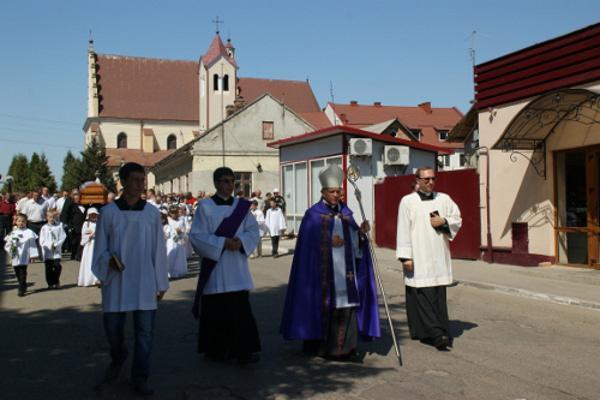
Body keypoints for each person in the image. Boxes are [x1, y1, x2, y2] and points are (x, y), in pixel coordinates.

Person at [280, 164, 380, 361]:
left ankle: (346, 349)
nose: (336, 195)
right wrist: (326, 240)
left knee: (346, 306)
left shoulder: (346, 213)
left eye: (339, 191)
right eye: (332, 191)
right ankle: (321, 347)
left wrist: (360, 233)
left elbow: (354, 243)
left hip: (345, 273)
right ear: (323, 192)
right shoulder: (313, 214)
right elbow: (306, 245)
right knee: (322, 306)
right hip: (322, 274)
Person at [92, 162, 169, 395]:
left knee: (145, 334)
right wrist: (108, 262)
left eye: (142, 180)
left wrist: (161, 282)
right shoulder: (108, 213)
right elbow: (100, 249)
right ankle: (119, 355)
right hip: (117, 280)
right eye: (134, 180)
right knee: (113, 330)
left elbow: (159, 249)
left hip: (145, 281)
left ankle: (140, 377)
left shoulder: (151, 213)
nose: (139, 184)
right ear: (123, 182)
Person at [189, 167, 261, 364]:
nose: (230, 185)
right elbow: (196, 236)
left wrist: (241, 242)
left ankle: (244, 349)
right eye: (225, 181)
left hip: (237, 267)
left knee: (240, 310)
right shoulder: (205, 207)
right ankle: (217, 350)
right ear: (216, 184)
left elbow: (253, 230)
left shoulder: (242, 207)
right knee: (216, 312)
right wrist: (222, 243)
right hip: (215, 269)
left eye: (232, 181)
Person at [396, 166, 462, 351]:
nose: (431, 182)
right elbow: (403, 228)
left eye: (433, 179)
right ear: (417, 180)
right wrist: (405, 256)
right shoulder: (408, 201)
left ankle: (432, 330)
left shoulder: (444, 199)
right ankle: (437, 334)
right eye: (426, 179)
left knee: (438, 297)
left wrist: (445, 221)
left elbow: (457, 218)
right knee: (421, 296)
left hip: (439, 255)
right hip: (418, 255)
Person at [4, 214, 38, 297]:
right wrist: (11, 249)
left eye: (23, 221)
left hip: (24, 255)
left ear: (26, 222)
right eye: (19, 221)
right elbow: (8, 244)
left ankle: (21, 288)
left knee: (23, 272)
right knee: (17, 272)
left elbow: (32, 245)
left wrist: (33, 255)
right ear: (16, 222)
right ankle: (23, 284)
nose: (21, 223)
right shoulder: (13, 232)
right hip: (15, 256)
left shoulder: (29, 232)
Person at [39, 210, 66, 289]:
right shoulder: (44, 228)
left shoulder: (59, 226)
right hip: (47, 251)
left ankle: (56, 280)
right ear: (47, 217)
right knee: (48, 268)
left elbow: (63, 237)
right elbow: (42, 240)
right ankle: (50, 283)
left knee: (57, 266)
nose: (51, 219)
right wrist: (47, 245)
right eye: (50, 217)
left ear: (56, 217)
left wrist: (57, 245)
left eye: (53, 217)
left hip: (56, 251)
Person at [78, 208, 99, 287]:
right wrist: (90, 236)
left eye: (95, 215)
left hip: (97, 244)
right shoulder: (86, 224)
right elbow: (84, 235)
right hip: (89, 245)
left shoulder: (99, 223)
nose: (93, 216)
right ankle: (88, 279)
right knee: (89, 261)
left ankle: (96, 279)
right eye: (92, 215)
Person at [165, 206, 188, 279]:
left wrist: (181, 232)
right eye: (172, 213)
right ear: (170, 213)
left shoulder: (181, 221)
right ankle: (169, 272)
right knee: (171, 255)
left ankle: (178, 272)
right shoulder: (168, 221)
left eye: (175, 213)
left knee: (179, 256)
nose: (174, 215)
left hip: (179, 240)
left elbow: (184, 231)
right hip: (171, 241)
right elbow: (166, 231)